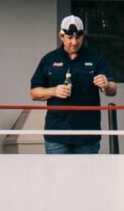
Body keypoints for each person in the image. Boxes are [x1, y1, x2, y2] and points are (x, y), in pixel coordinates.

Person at [28, 14, 115, 155]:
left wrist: (106, 85)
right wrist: (54, 91)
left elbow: (113, 90)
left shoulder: (95, 58)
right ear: (61, 36)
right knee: (57, 177)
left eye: (78, 37)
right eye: (69, 38)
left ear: (83, 36)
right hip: (57, 135)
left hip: (88, 136)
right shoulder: (48, 59)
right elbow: (33, 93)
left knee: (86, 177)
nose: (74, 42)